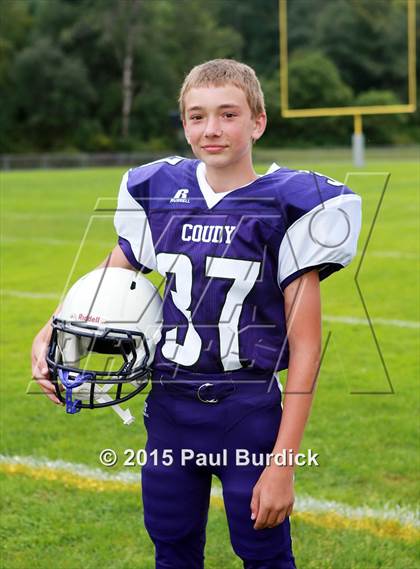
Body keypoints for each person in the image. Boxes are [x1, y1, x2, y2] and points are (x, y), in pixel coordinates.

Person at [32, 59, 362, 568]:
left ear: (258, 121)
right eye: (197, 116)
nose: (211, 129)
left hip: (247, 411)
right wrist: (49, 328)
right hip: (169, 410)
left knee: (265, 554)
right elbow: (108, 277)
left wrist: (284, 464)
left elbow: (307, 346)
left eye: (228, 114)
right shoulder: (161, 190)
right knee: (172, 548)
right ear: (184, 123)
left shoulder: (292, 204)